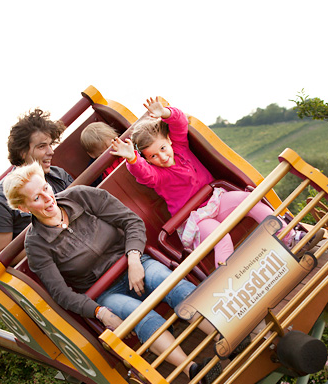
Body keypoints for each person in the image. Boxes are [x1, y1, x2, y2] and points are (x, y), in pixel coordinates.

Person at [3, 162, 220, 384]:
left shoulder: (80, 196)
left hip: (134, 262)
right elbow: (61, 293)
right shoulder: (36, 245)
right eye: (36, 198)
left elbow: (131, 221)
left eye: (46, 188)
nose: (48, 198)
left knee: (166, 281)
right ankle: (192, 370)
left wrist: (133, 258)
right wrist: (99, 312)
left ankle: (225, 336)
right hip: (106, 292)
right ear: (24, 208)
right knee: (138, 315)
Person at [110, 98, 303, 269]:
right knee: (221, 237)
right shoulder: (157, 175)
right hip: (195, 219)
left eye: (162, 148)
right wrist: (132, 159)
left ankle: (289, 237)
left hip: (215, 200)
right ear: (147, 159)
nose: (161, 156)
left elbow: (180, 123)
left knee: (249, 200)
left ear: (168, 140)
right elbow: (143, 173)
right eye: (153, 156)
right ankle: (228, 280)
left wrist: (165, 113)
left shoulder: (180, 147)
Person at [0, 108, 74, 258]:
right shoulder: (0, 198)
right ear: (22, 152)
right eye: (42, 146)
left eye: (50, 144)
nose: (51, 151)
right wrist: (52, 244)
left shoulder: (60, 175)